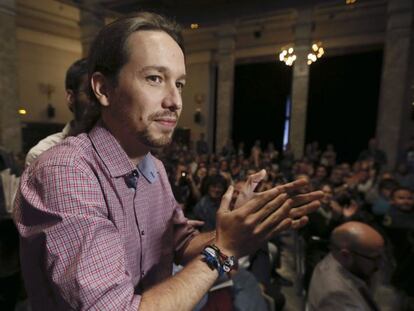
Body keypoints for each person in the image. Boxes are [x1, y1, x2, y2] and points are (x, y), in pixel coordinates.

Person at [14, 12, 323, 311]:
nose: (175, 101)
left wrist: (243, 227)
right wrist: (223, 250)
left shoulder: (154, 167)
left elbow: (180, 244)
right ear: (103, 88)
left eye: (179, 84)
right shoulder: (66, 172)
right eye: (154, 78)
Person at [25, 58, 95, 167]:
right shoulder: (43, 152)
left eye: (105, 91)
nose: (100, 100)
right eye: (91, 93)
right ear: (71, 97)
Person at [307, 221, 384, 311]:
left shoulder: (333, 259)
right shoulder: (337, 296)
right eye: (374, 258)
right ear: (345, 255)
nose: (380, 264)